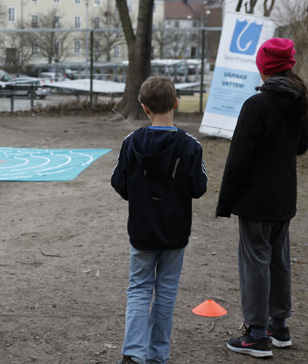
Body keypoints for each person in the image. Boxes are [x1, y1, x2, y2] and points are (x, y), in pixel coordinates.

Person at [216, 38, 308, 358]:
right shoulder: (300, 99)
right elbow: (300, 146)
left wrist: (225, 202)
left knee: (256, 261)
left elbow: (238, 158)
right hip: (284, 197)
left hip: (256, 200)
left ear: (262, 67)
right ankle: (278, 326)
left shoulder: (257, 105)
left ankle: (256, 334)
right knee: (278, 259)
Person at [111, 75, 208, 364]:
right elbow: (199, 187)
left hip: (143, 229)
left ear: (144, 108)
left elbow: (119, 183)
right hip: (174, 231)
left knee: (140, 289)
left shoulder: (132, 142)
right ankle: (156, 356)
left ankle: (133, 354)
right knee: (165, 291)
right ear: (176, 103)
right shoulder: (190, 145)